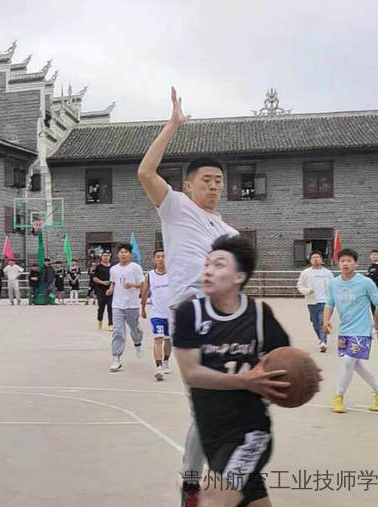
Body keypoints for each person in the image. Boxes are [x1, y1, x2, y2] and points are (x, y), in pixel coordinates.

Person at [137, 86, 239, 505]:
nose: (213, 186)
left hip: (223, 318)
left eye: (219, 181)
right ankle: (194, 484)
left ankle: (198, 481)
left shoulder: (229, 232)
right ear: (189, 184)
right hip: (190, 314)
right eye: (207, 180)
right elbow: (145, 172)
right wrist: (172, 125)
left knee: (219, 404)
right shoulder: (176, 206)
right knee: (206, 402)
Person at [173, 234, 293, 507]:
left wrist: (298, 381)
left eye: (219, 265)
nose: (208, 270)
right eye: (207, 264)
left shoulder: (261, 315)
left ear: (239, 276)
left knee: (213, 498)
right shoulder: (189, 314)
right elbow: (191, 374)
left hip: (249, 434)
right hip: (211, 434)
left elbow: (285, 365)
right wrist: (244, 380)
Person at [323, 249, 378, 414]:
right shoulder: (334, 283)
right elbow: (329, 304)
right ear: (338, 263)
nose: (345, 264)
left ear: (356, 264)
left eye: (349, 261)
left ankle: (338, 397)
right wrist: (325, 321)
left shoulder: (366, 282)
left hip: (362, 330)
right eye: (342, 261)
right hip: (345, 330)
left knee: (348, 361)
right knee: (357, 364)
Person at [107, 244, 145, 372]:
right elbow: (113, 282)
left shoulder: (135, 267)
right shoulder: (113, 269)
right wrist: (111, 290)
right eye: (121, 252)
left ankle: (138, 343)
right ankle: (116, 358)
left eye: (126, 252)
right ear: (118, 255)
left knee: (135, 329)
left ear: (130, 254)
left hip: (132, 304)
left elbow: (143, 284)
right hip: (117, 305)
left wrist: (132, 285)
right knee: (118, 331)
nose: (123, 254)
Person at [141, 248, 172, 380]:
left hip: (171, 314)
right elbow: (145, 292)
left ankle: (166, 361)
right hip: (156, 313)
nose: (160, 259)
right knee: (158, 339)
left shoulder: (172, 274)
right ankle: (158, 367)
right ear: (154, 259)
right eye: (158, 257)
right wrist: (142, 308)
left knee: (168, 340)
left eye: (163, 256)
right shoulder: (150, 275)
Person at [296, 251, 334, 353]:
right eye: (313, 257)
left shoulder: (327, 273)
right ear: (310, 260)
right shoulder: (306, 273)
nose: (316, 259)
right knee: (315, 322)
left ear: (322, 260)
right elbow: (300, 285)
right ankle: (321, 338)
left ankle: (323, 342)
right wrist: (307, 291)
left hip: (325, 301)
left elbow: (333, 286)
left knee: (322, 321)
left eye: (318, 257)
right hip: (311, 301)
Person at [92, 252, 114, 330]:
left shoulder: (113, 267)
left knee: (110, 307)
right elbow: (94, 278)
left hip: (111, 290)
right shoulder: (98, 267)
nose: (105, 257)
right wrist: (103, 282)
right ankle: (100, 320)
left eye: (107, 256)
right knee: (101, 307)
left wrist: (111, 285)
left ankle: (111, 324)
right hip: (100, 290)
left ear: (110, 257)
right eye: (104, 256)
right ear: (101, 257)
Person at [367, 249, 378, 329]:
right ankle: (376, 325)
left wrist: (369, 277)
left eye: (375, 254)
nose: (373, 256)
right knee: (372, 308)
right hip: (370, 289)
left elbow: (375, 276)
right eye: (372, 255)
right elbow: (369, 276)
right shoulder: (371, 266)